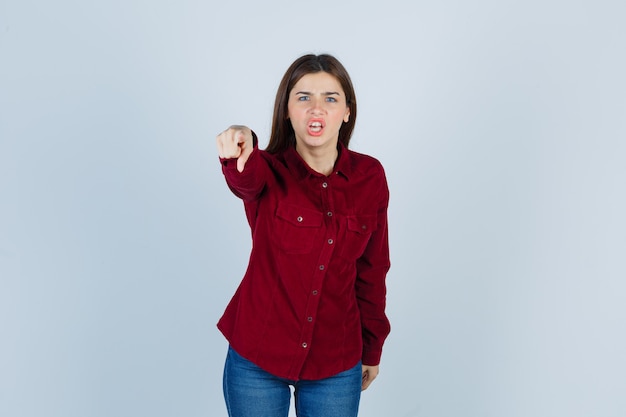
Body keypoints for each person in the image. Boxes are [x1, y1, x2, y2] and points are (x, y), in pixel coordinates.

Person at [215, 53, 391, 417]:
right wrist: (240, 146)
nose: (316, 109)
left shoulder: (370, 177)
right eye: (303, 97)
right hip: (257, 359)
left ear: (346, 111)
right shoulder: (268, 169)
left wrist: (372, 348)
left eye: (330, 98)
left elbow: (373, 271)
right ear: (287, 111)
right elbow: (245, 180)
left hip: (335, 362)